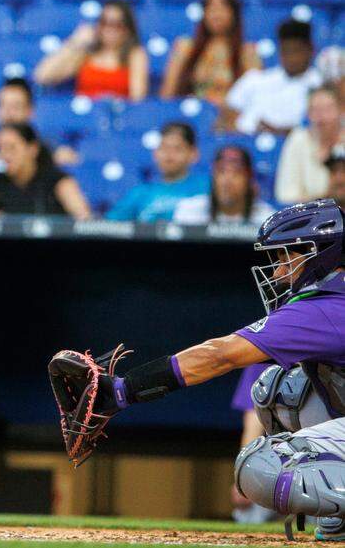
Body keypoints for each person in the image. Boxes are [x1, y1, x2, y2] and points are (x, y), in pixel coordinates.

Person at [46, 198, 345, 540]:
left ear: (318, 251)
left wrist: (120, 391)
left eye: (283, 257)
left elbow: (220, 355)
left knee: (259, 469)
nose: (277, 271)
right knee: (279, 390)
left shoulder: (326, 307)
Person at [220, 18, 323, 135]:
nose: (291, 58)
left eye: (296, 51)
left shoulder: (321, 85)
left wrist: (278, 132)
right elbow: (225, 117)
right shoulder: (255, 79)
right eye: (286, 51)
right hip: (249, 143)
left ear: (311, 51)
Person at [160, 0, 262, 104]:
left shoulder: (247, 52)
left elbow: (256, 99)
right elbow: (167, 95)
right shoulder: (186, 47)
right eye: (211, 8)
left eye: (223, 8)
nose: (216, 14)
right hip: (192, 116)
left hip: (230, 118)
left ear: (234, 14)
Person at [33, 0, 149, 102]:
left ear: (127, 30)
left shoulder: (135, 55)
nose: (108, 30)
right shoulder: (86, 54)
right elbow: (42, 76)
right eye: (104, 23)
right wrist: (74, 43)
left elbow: (138, 98)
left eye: (116, 25)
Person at [0, 123, 91, 218]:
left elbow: (85, 220)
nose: (5, 155)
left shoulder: (58, 180)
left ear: (32, 149)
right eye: (1, 148)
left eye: (12, 148)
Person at [105, 121, 209, 222]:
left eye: (177, 149)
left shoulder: (208, 187)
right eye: (164, 148)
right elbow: (108, 226)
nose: (169, 156)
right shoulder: (140, 193)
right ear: (155, 153)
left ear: (193, 154)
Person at [274, 86, 342, 204]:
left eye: (327, 109)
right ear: (307, 114)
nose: (321, 117)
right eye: (314, 110)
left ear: (341, 110)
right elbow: (286, 195)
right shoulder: (298, 139)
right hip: (309, 217)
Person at [172, 146, 274, 224]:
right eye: (221, 172)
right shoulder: (188, 211)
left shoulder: (267, 220)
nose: (227, 181)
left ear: (249, 180)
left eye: (236, 173)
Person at [228, 362, 275, 525]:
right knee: (250, 521)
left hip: (325, 454)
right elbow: (254, 422)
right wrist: (244, 477)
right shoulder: (264, 360)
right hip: (277, 456)